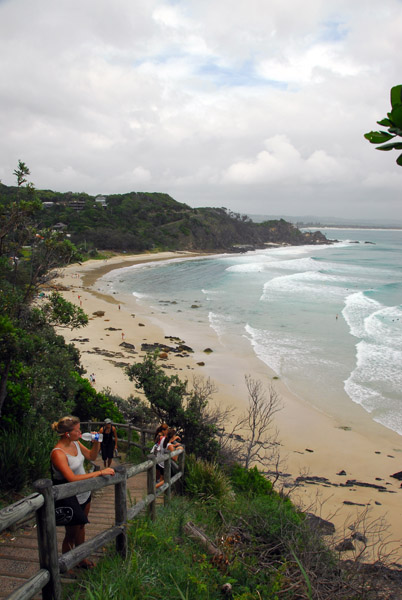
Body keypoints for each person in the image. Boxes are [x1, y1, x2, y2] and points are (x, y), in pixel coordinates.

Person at [51, 416, 115, 569]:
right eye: (77, 430)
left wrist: (97, 443)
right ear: (67, 433)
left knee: (81, 527)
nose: (80, 432)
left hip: (84, 494)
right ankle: (67, 565)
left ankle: (81, 558)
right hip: (70, 497)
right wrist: (99, 473)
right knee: (71, 534)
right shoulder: (58, 453)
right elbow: (72, 478)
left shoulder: (76, 443)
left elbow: (92, 456)